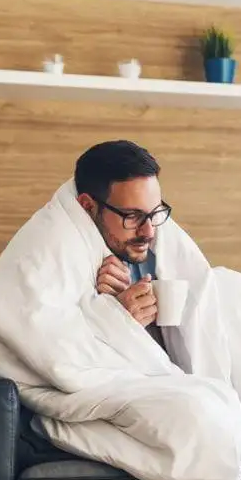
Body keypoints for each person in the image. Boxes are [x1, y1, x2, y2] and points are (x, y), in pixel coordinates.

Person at [74, 140, 173, 345]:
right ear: (88, 206)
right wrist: (114, 320)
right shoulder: (66, 266)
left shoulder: (160, 260)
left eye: (154, 213)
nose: (149, 231)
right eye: (132, 215)